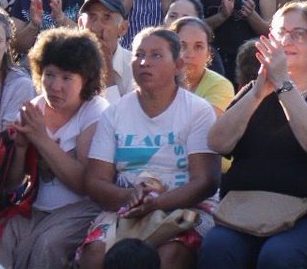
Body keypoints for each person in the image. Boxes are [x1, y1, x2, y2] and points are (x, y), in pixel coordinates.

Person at [201, 2, 307, 269]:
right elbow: (217, 141)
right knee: (217, 248)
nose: (287, 40)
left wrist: (283, 85)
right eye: (281, 33)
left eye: (299, 33)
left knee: (279, 255)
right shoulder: (254, 93)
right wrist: (257, 92)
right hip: (249, 214)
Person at [79, 27, 220, 269]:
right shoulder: (115, 113)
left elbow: (205, 181)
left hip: (185, 206)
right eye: (138, 54)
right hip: (126, 206)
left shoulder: (197, 110)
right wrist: (129, 198)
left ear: (177, 65)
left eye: (156, 55)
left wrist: (156, 203)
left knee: (171, 254)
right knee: (95, 254)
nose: (144, 62)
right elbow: (95, 181)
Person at [0, 28, 110, 269]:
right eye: (49, 75)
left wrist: (41, 139)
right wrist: (19, 149)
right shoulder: (35, 107)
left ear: (86, 80)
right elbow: (14, 185)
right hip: (35, 207)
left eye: (67, 78)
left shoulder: (95, 111)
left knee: (47, 246)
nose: (55, 86)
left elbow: (86, 184)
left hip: (81, 210)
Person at [170, 16, 234, 113]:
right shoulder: (155, 80)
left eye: (198, 47)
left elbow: (203, 124)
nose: (189, 55)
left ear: (208, 53)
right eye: (182, 46)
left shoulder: (220, 86)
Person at [77, 0, 134, 101]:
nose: (96, 27)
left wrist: (107, 69)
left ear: (122, 28)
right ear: (80, 24)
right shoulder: (66, 61)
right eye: (91, 17)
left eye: (107, 17)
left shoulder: (134, 67)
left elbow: (119, 117)